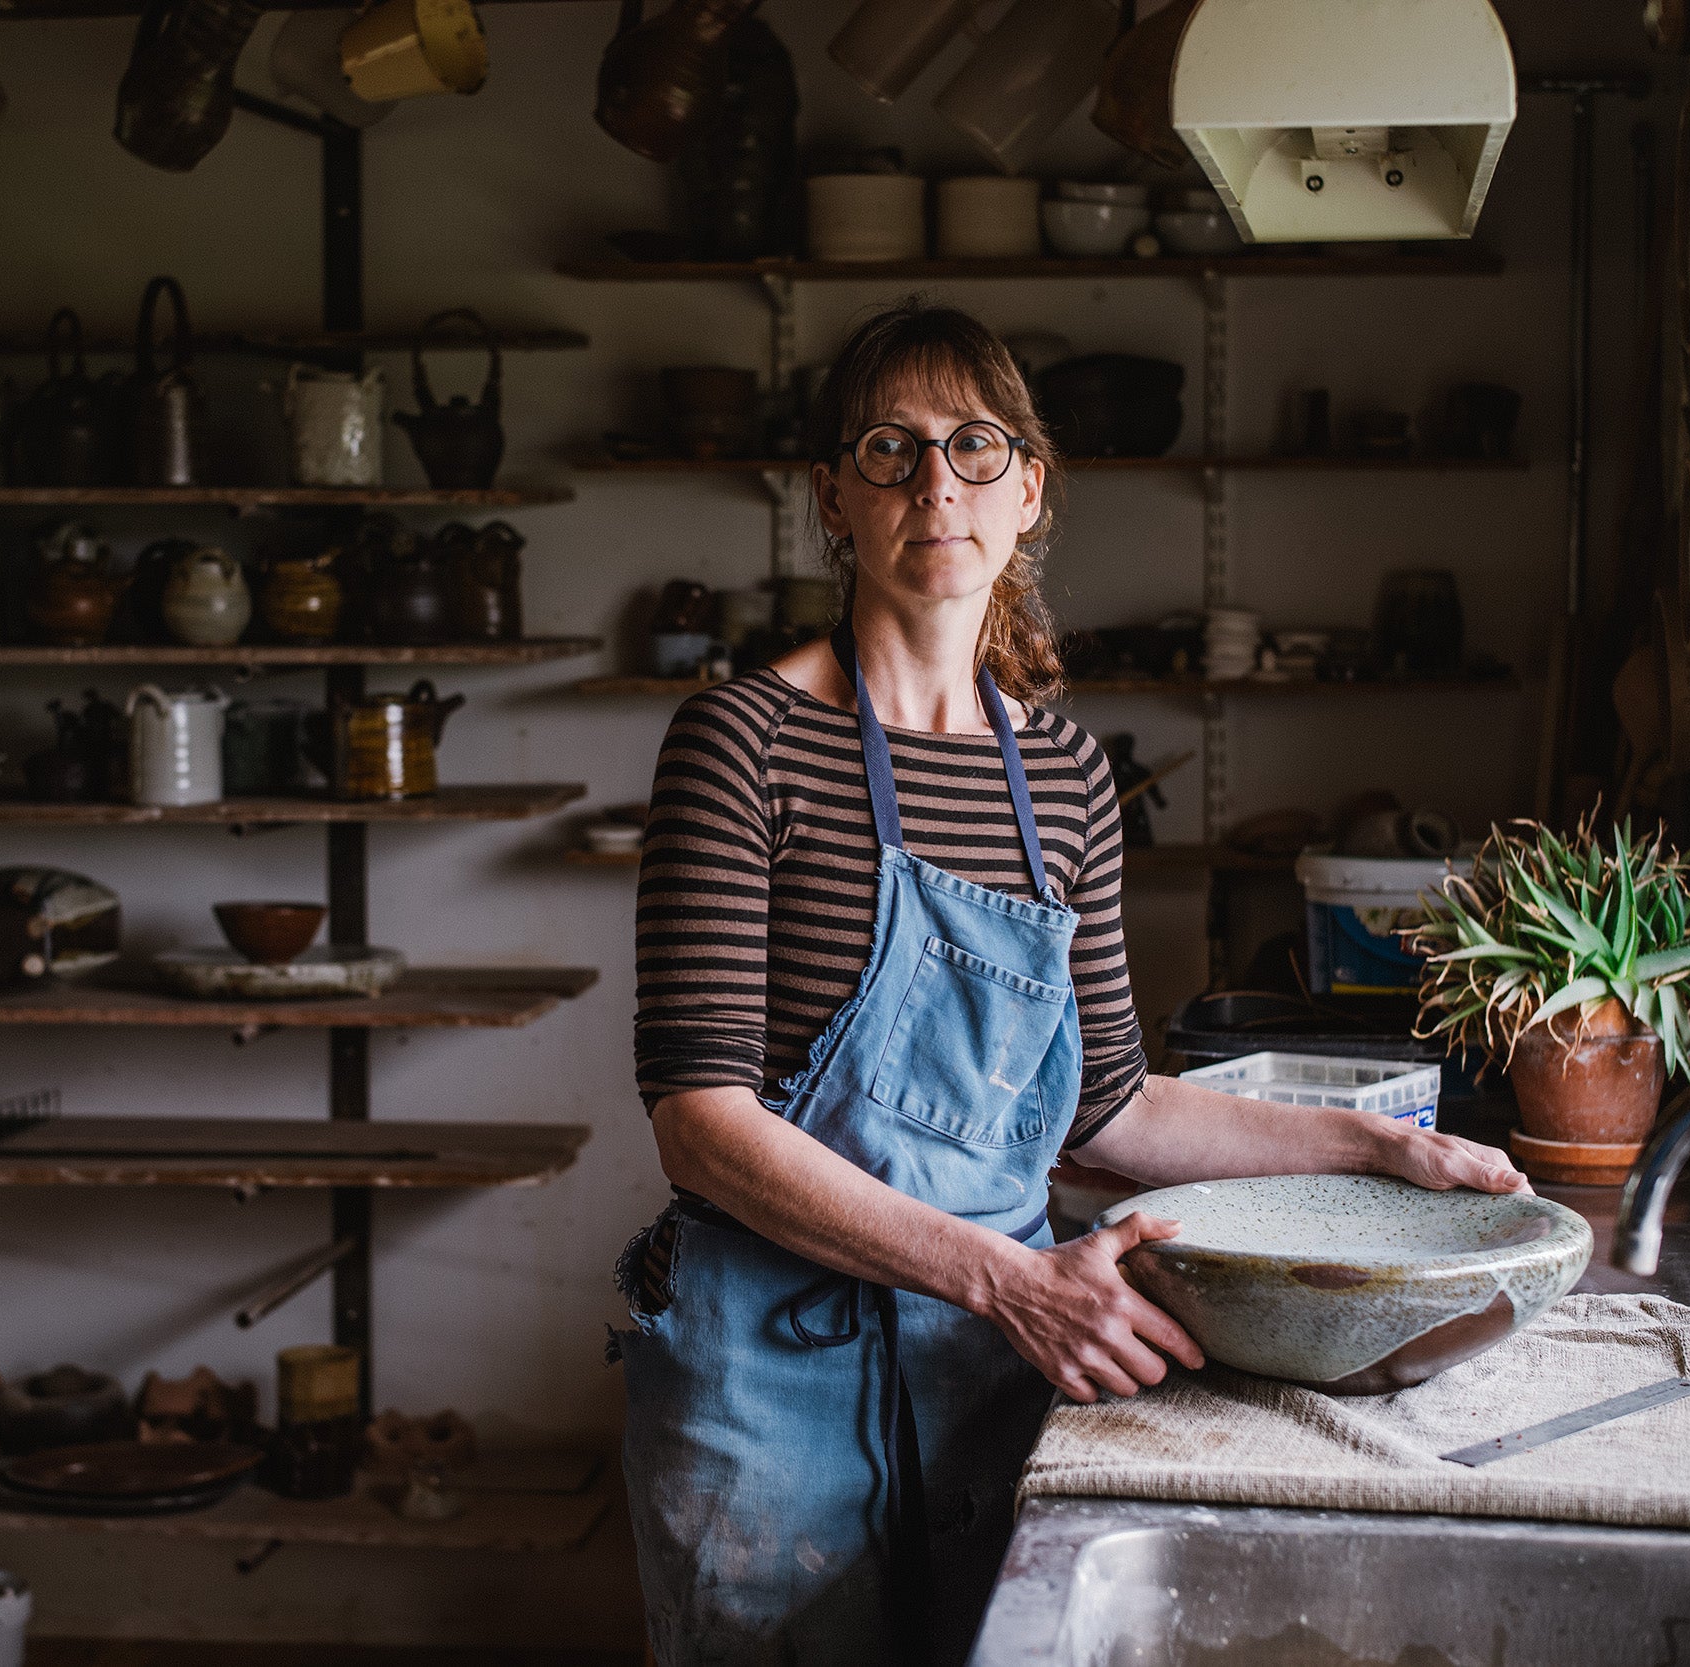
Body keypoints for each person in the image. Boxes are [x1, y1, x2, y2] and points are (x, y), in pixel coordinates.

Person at [613, 300, 1526, 1667]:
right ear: (832, 500)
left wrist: (1377, 1144)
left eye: (976, 448)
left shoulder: (1065, 777)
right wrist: (1007, 1281)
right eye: (891, 449)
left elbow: (1102, 1110)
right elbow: (701, 1119)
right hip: (770, 1386)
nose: (937, 485)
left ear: (1028, 490)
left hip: (986, 1377)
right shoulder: (743, 743)